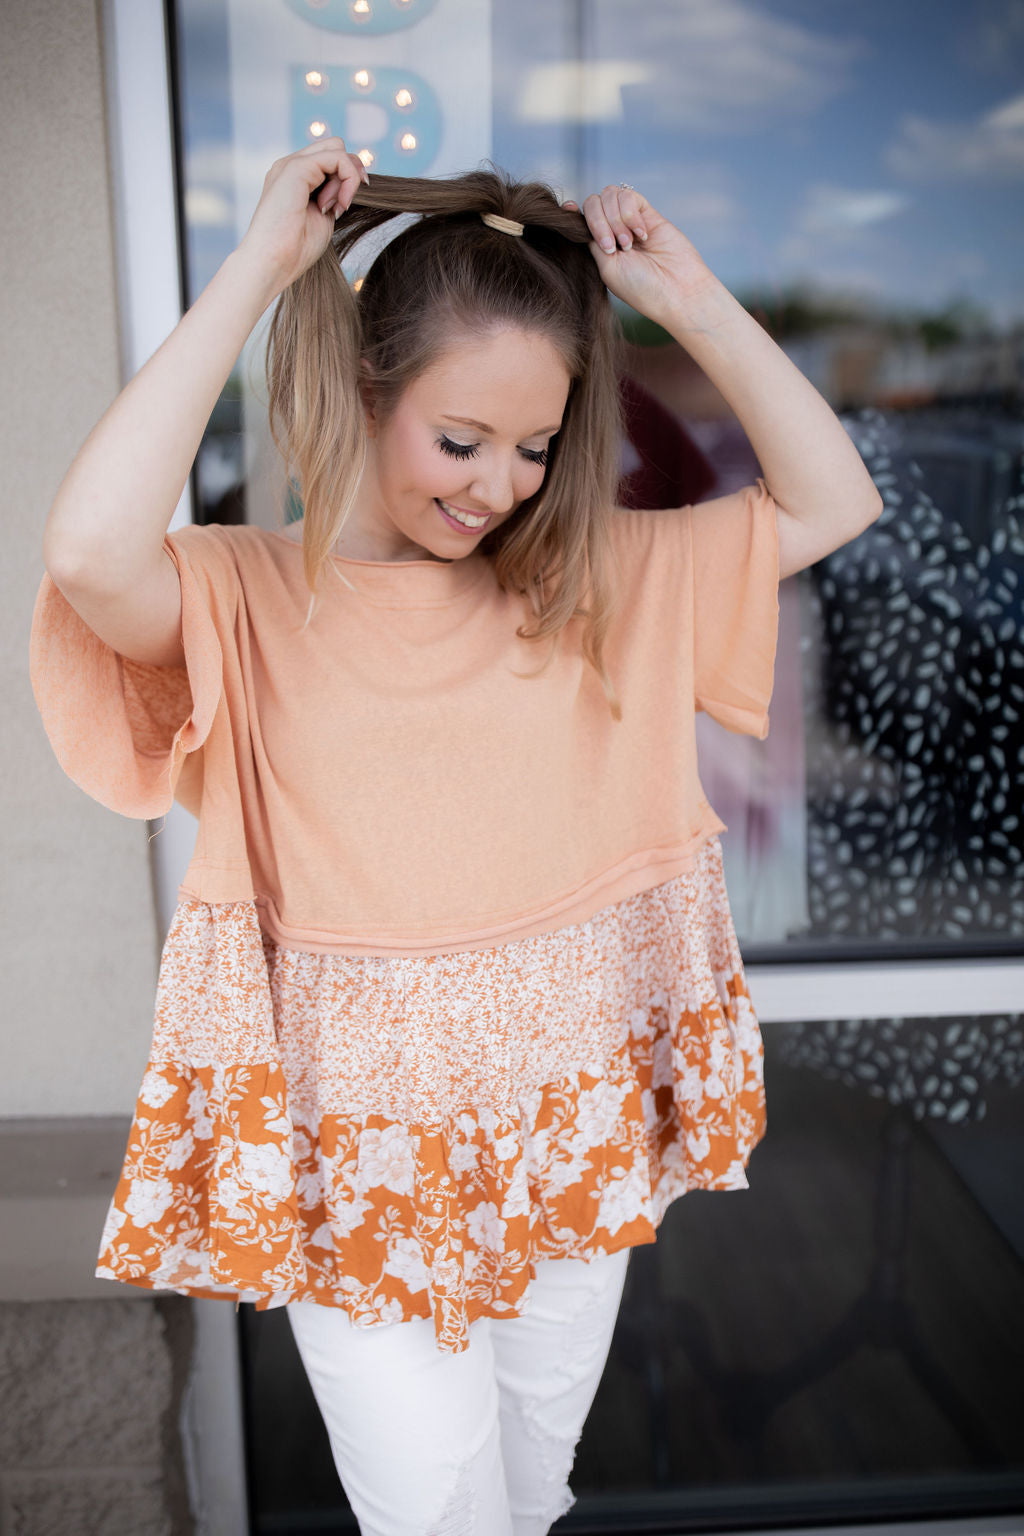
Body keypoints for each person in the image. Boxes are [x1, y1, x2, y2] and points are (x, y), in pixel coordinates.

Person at [29, 139, 882, 1534]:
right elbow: (86, 554)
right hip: (365, 1174)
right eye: (462, 439)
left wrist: (687, 298)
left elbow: (831, 500)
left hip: (567, 1142)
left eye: (537, 448)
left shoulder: (590, 581)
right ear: (365, 394)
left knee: (529, 1497)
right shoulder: (247, 599)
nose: (501, 486)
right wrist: (259, 269)